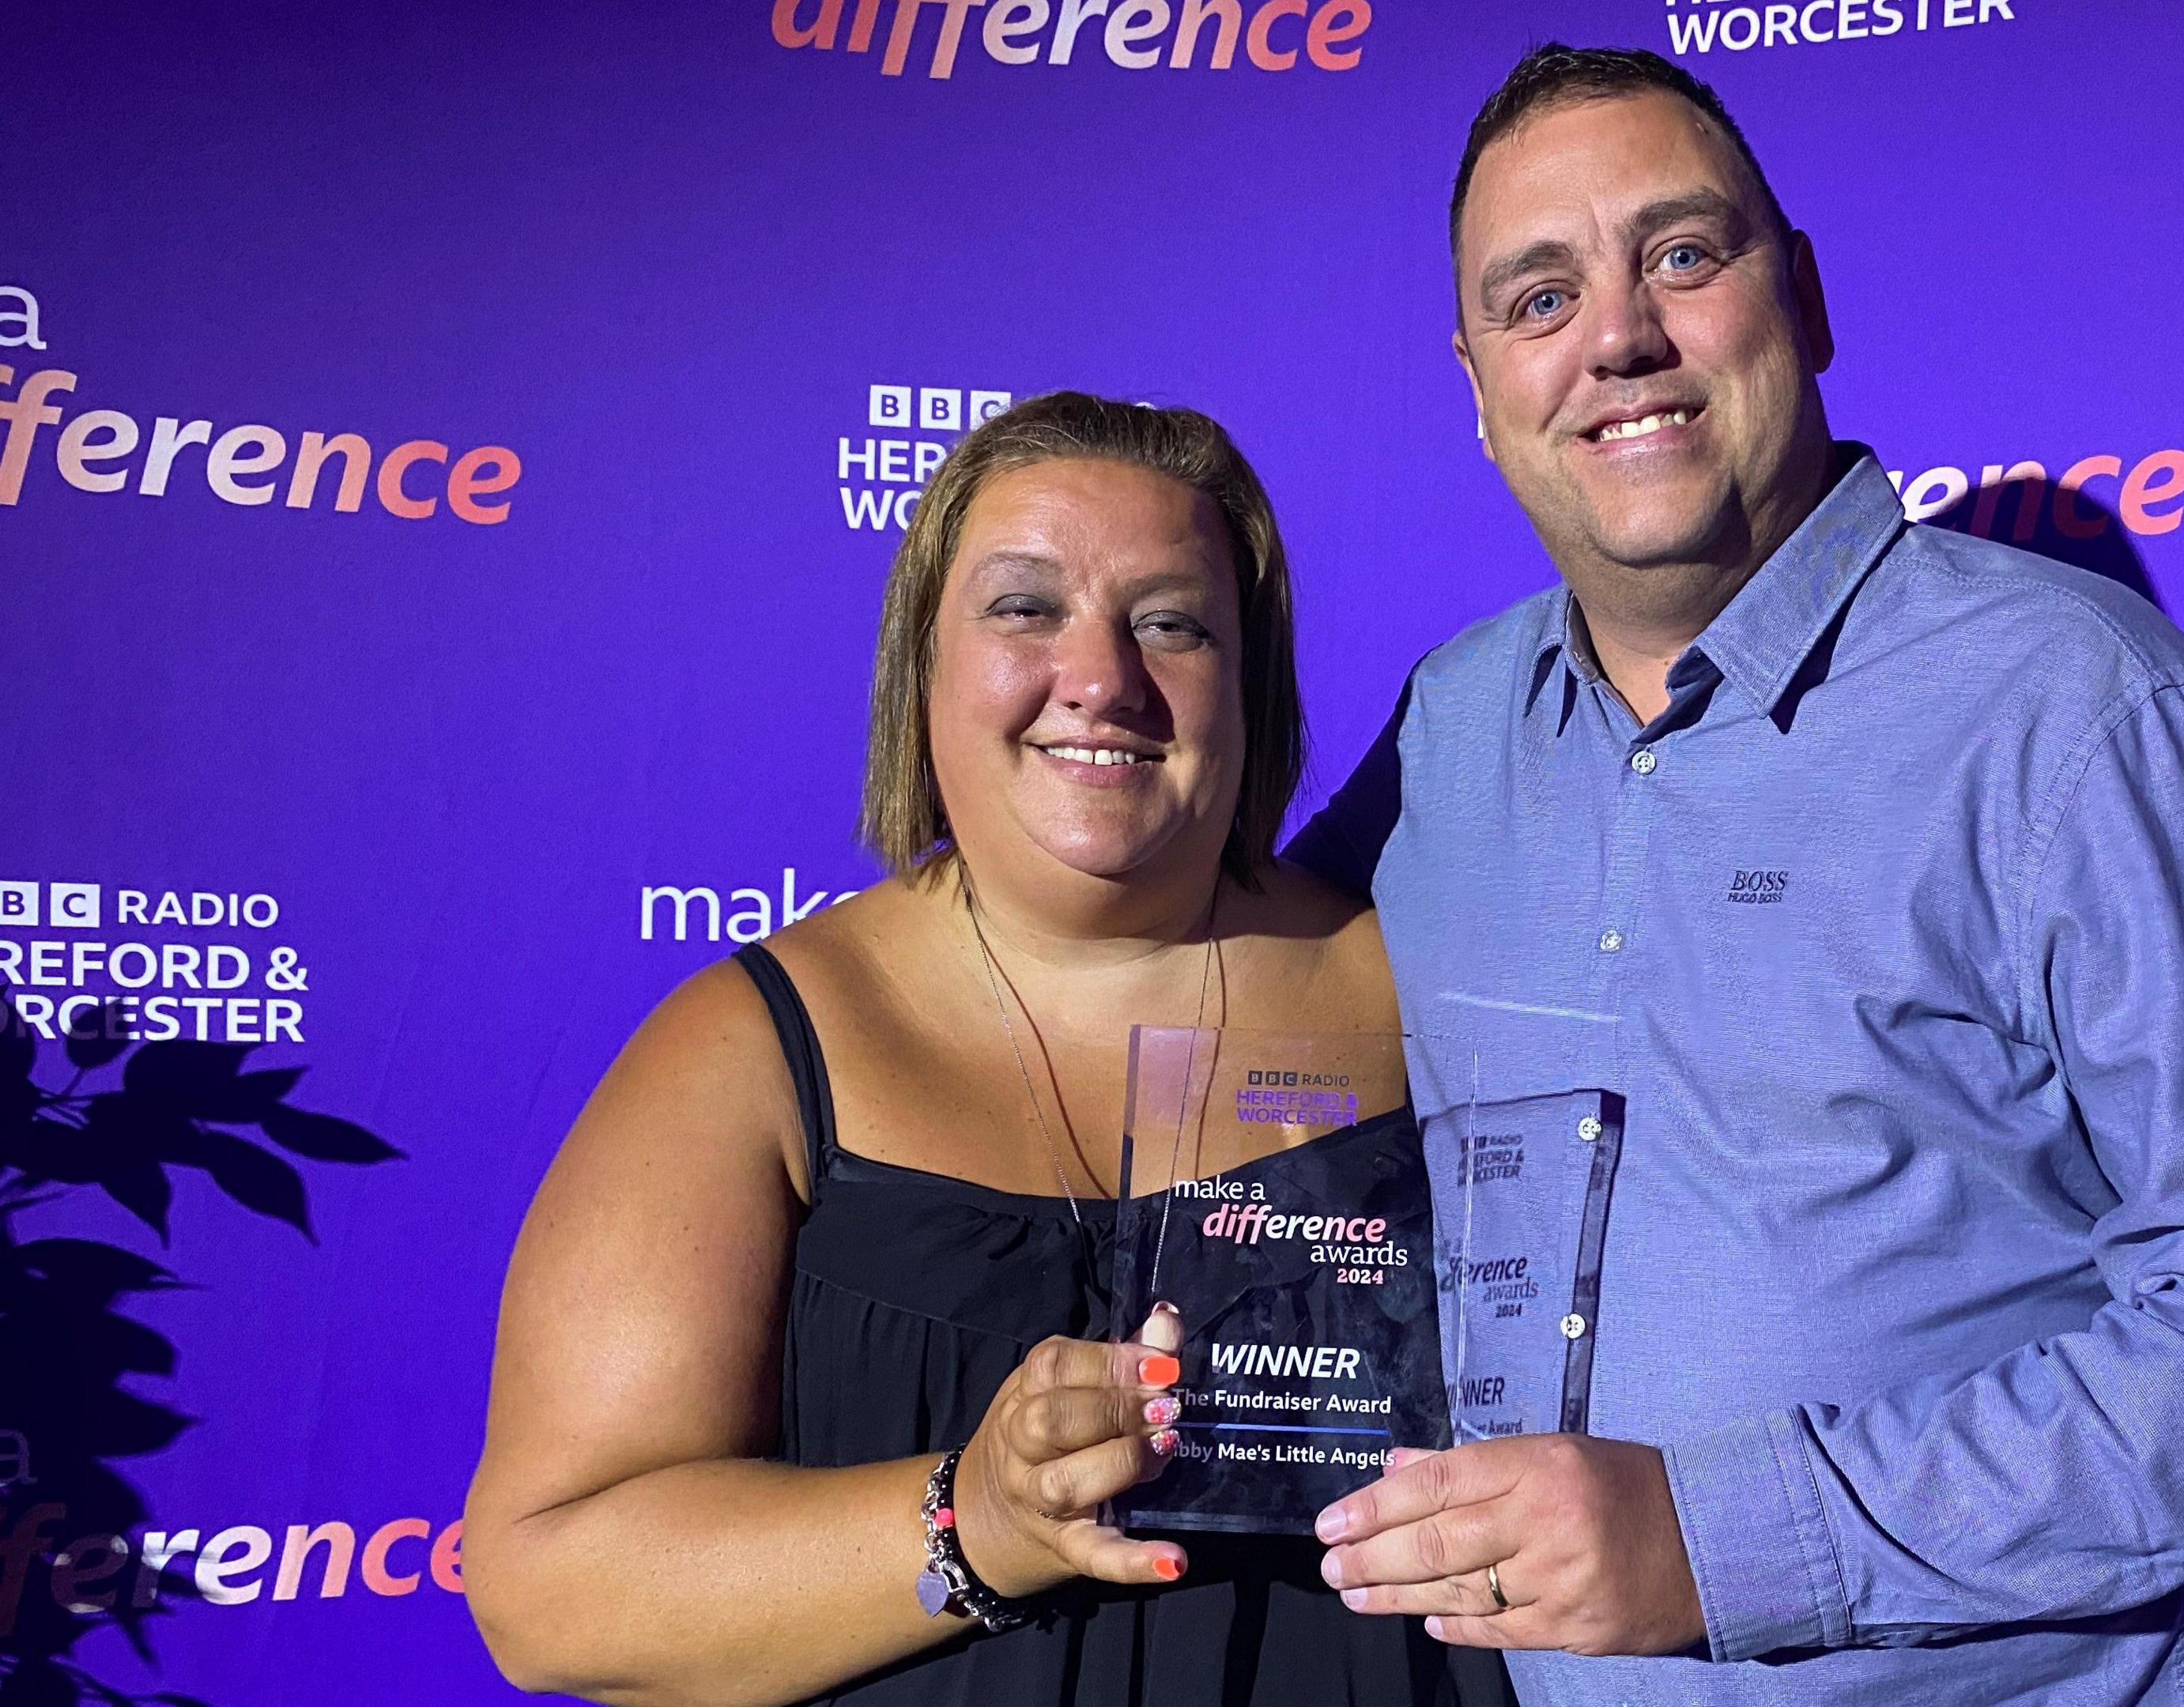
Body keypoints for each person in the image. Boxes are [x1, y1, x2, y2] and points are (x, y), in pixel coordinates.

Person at [1288, 46, 2184, 1707]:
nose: (1619, 335)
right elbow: (1224, 999)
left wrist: (1724, 1536)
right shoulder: (1451, 726)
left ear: (1806, 300)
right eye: (1539, 298)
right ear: (1480, 392)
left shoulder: (2077, 708)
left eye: (1683, 257)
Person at [464, 393, 1507, 1707]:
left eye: (1172, 623)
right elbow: (548, 1593)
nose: (1102, 678)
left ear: (1253, 682)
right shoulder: (757, 1046)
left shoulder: (1437, 995)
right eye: (1026, 609)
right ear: (925, 665)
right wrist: (978, 1524)